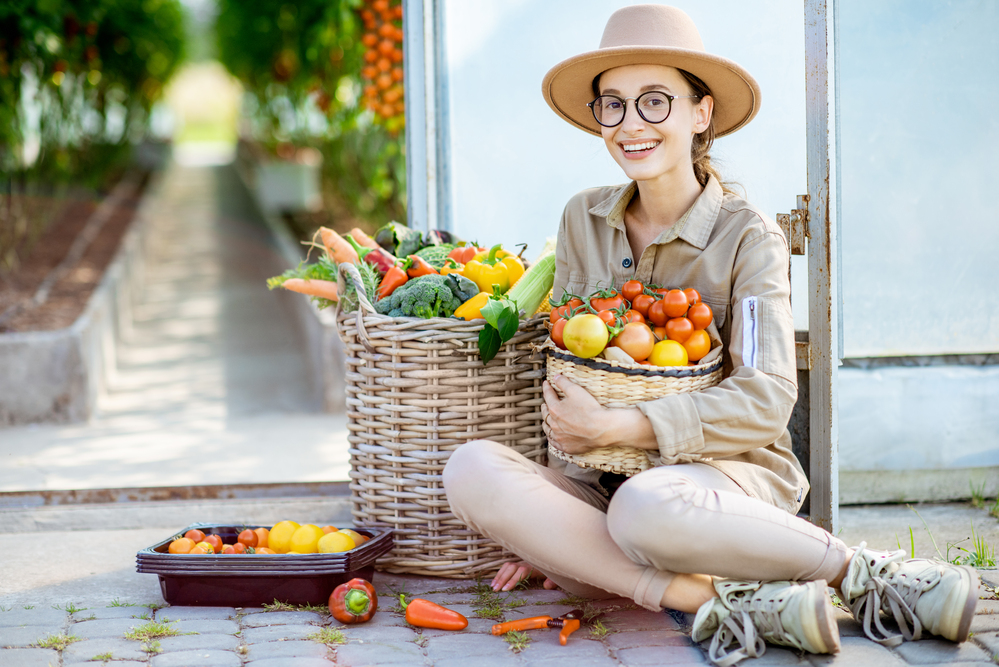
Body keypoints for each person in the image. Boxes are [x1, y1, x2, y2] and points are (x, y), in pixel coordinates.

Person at [442, 5, 979, 665]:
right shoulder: (582, 218)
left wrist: (625, 427)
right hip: (605, 491)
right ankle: (716, 600)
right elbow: (572, 367)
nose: (629, 124)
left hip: (722, 484)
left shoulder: (746, 233)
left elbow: (766, 397)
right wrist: (544, 530)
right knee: (470, 468)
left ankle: (863, 573)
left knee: (643, 509)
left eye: (653, 101)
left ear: (700, 114)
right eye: (612, 104)